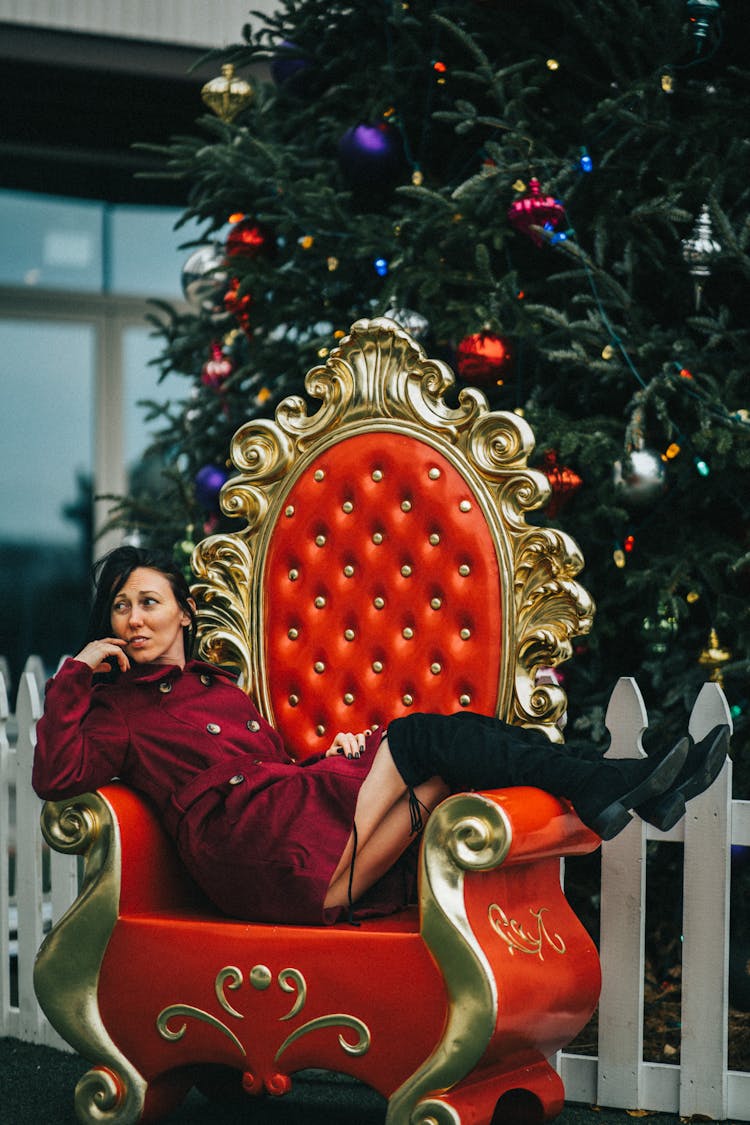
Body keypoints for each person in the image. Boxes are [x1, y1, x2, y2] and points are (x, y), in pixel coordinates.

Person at [33, 546, 729, 926]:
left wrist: (319, 758)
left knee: (444, 761)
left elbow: (263, 765)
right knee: (424, 735)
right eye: (119, 607)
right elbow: (56, 776)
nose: (132, 619)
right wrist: (79, 671)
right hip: (249, 851)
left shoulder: (219, 687)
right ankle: (609, 782)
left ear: (184, 611)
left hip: (287, 835)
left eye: (148, 601)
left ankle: (622, 787)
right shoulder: (117, 706)